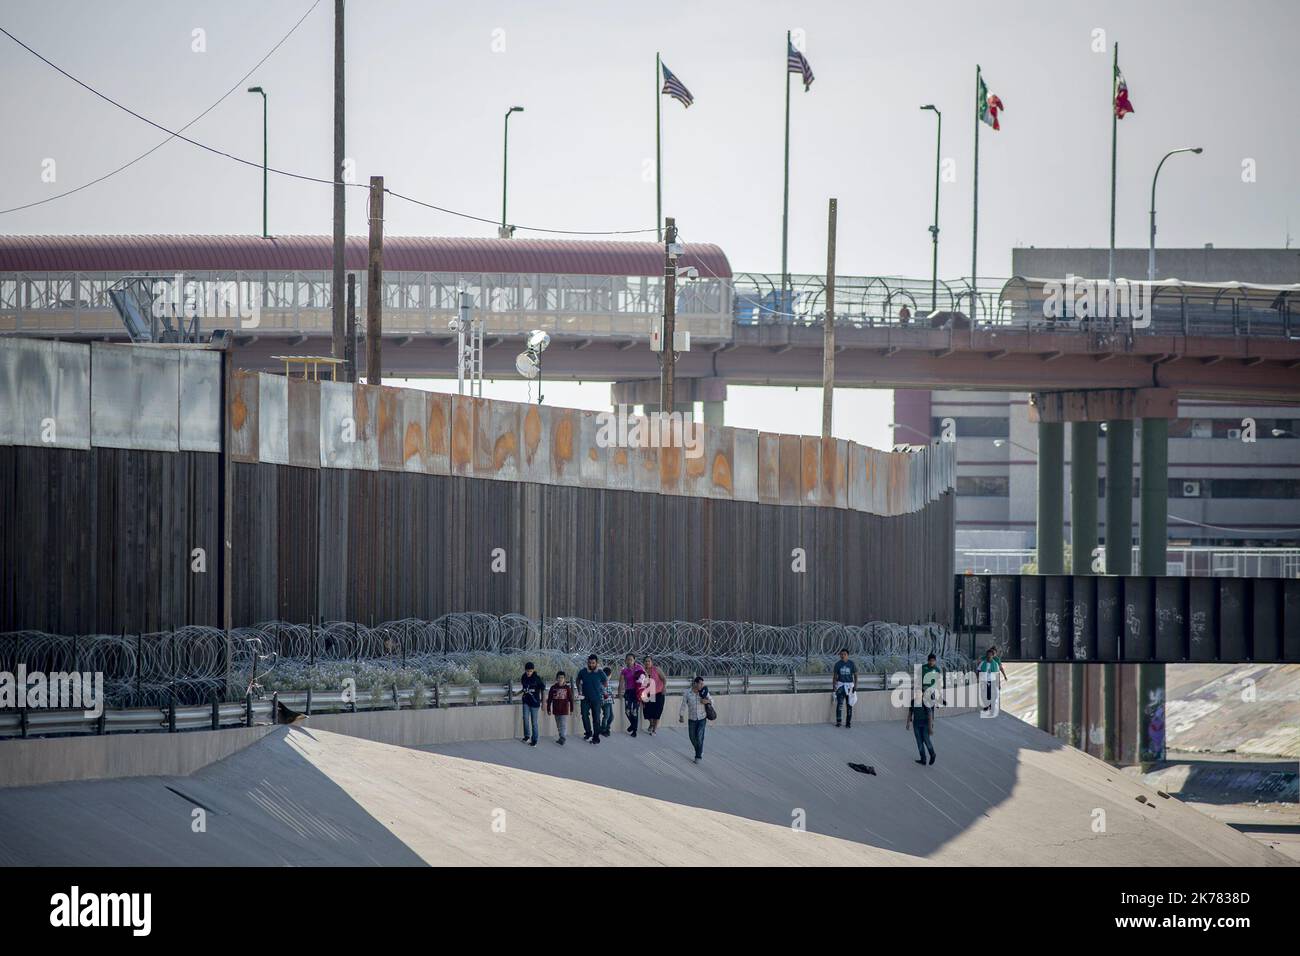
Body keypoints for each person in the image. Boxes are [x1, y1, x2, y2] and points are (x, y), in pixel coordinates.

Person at [575, 654, 607, 744]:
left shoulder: (600, 672)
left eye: (593, 663)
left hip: (597, 699)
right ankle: (588, 733)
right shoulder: (583, 671)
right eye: (589, 663)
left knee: (596, 718)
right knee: (584, 716)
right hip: (585, 698)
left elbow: (605, 682)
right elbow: (577, 680)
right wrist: (579, 690)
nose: (591, 665)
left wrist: (600, 689)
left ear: (597, 663)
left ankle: (596, 737)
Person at [678, 676, 711, 762]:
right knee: (692, 737)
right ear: (695, 683)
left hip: (702, 718)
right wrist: (681, 715)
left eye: (702, 683)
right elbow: (683, 705)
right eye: (700, 683)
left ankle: (698, 756)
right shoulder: (687, 692)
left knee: (700, 737)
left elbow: (712, 700)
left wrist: (707, 701)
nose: (702, 685)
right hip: (692, 718)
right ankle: (699, 750)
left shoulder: (704, 691)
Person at [618, 653, 646, 738]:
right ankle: (633, 725)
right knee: (627, 711)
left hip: (637, 692)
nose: (629, 661)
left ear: (634, 660)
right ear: (625, 660)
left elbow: (645, 679)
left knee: (634, 711)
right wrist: (619, 693)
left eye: (631, 659)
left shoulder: (639, 668)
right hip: (628, 692)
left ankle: (634, 730)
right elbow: (621, 682)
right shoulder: (624, 670)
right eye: (627, 659)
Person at [905, 688, 936, 766]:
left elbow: (930, 715)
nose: (918, 694)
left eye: (919, 693)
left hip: (925, 724)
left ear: (922, 694)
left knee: (926, 740)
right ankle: (923, 759)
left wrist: (930, 728)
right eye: (916, 692)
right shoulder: (913, 702)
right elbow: (910, 712)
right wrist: (908, 722)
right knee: (919, 742)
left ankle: (932, 754)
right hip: (916, 725)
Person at [519, 661, 545, 747]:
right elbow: (524, 688)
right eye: (527, 671)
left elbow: (543, 689)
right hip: (526, 700)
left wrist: (543, 702)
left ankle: (534, 740)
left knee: (534, 722)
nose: (529, 673)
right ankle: (527, 736)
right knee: (525, 718)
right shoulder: (523, 677)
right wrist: (517, 693)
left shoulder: (537, 678)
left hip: (535, 703)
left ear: (533, 670)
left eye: (530, 671)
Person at [832, 647, 857, 728]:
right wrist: (834, 687)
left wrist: (855, 686)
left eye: (844, 654)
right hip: (841, 686)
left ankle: (848, 723)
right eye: (841, 654)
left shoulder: (851, 664)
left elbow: (856, 676)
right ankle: (839, 721)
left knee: (849, 705)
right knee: (839, 704)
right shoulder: (837, 664)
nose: (843, 656)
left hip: (850, 686)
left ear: (848, 655)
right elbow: (835, 677)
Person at [642, 655, 667, 735]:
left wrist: (664, 688)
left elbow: (664, 678)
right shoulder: (642, 671)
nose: (647, 662)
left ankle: (654, 730)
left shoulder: (656, 669)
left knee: (657, 712)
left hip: (658, 692)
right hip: (648, 693)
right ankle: (651, 724)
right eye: (646, 661)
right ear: (643, 663)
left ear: (651, 662)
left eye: (649, 661)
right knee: (647, 712)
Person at [978, 647, 1009, 713]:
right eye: (988, 654)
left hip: (993, 680)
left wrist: (1002, 679)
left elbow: (999, 671)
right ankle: (988, 705)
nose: (990, 656)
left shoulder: (996, 661)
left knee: (993, 694)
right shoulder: (984, 660)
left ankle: (990, 705)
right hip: (985, 680)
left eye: (992, 654)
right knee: (986, 694)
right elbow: (979, 669)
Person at [546, 671, 572, 745]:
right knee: (558, 725)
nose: (560, 679)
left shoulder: (567, 688)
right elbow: (550, 699)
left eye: (562, 678)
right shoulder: (553, 688)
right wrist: (548, 709)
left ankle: (563, 737)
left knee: (563, 724)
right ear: (556, 678)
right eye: (559, 678)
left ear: (564, 679)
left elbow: (571, 699)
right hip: (556, 709)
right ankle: (561, 736)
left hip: (564, 710)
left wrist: (571, 709)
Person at [600, 666, 615, 736]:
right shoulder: (601, 682)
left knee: (611, 716)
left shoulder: (608, 682)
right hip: (605, 702)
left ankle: (607, 727)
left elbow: (609, 691)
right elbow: (602, 692)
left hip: (609, 701)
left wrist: (612, 695)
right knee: (606, 716)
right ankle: (603, 729)